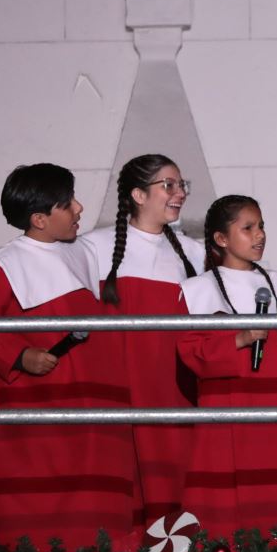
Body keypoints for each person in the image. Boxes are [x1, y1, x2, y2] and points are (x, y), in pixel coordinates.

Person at [0, 163, 139, 550]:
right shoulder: (3, 264)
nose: (80, 208)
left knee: (97, 497)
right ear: (40, 219)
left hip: (90, 404)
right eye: (67, 203)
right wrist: (20, 355)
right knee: (44, 503)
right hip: (45, 409)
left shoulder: (82, 254)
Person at [177, 195, 277, 536]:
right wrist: (238, 340)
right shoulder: (197, 291)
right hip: (222, 402)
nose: (259, 235)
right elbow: (189, 349)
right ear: (221, 239)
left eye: (261, 226)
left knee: (272, 483)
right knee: (221, 486)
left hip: (271, 401)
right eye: (248, 228)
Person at [80, 153, 204, 524]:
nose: (180, 193)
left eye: (182, 185)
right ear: (137, 194)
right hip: (116, 383)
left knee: (173, 473)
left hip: (174, 384)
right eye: (169, 185)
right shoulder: (93, 247)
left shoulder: (194, 253)